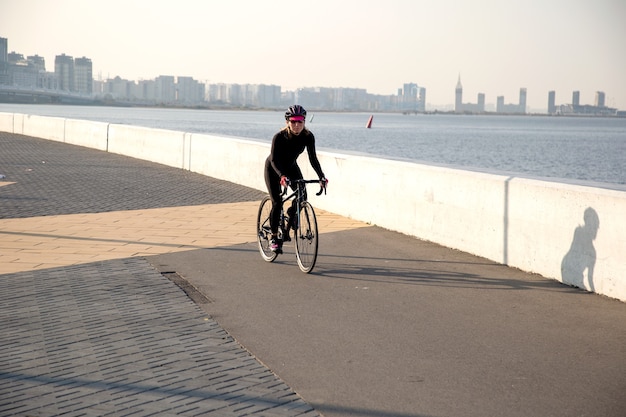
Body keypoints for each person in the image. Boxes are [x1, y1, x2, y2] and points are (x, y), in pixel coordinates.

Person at [264, 105, 327, 253]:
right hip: (274, 169)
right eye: (293, 121)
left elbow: (313, 159)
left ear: (304, 122)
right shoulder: (279, 137)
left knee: (302, 194)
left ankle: (290, 220)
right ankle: (274, 237)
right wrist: (282, 176)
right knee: (277, 202)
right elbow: (273, 160)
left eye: (300, 121)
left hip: (291, 167)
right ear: (287, 122)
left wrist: (321, 177)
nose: (297, 125)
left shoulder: (308, 136)